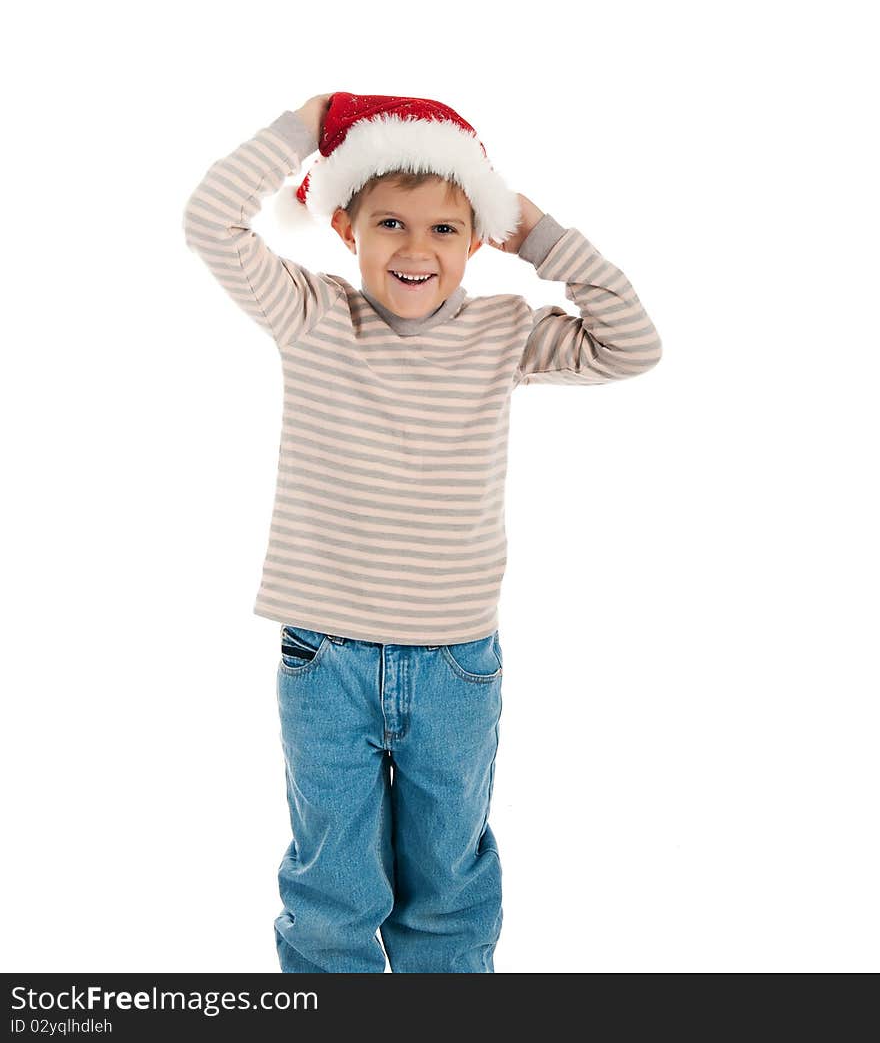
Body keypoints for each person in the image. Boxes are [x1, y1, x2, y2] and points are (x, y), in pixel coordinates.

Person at [182, 91, 662, 973]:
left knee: (448, 882)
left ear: (480, 239)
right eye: (390, 223)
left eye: (446, 230)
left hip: (455, 661)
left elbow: (631, 345)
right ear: (344, 229)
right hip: (326, 658)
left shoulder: (501, 332)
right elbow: (211, 223)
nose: (415, 249)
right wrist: (307, 119)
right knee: (331, 887)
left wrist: (542, 232)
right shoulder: (314, 316)